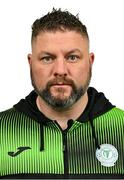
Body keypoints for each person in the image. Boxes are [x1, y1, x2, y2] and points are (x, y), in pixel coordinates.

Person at [0, 8, 124, 179]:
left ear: (90, 62)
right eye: (47, 58)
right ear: (30, 63)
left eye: (72, 57)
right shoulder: (3, 129)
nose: (60, 70)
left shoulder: (120, 128)